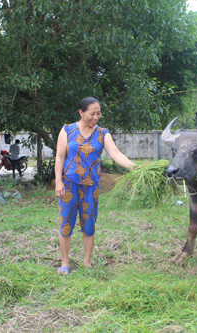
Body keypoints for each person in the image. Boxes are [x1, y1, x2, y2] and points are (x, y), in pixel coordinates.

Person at [54, 97, 135, 274]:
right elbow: (60, 157)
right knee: (66, 223)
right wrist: (58, 181)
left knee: (89, 224)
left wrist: (134, 167)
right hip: (69, 184)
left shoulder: (102, 133)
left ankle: (87, 262)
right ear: (81, 112)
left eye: (98, 113)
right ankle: (65, 263)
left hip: (91, 186)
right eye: (92, 113)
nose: (96, 117)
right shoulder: (67, 130)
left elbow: (115, 154)